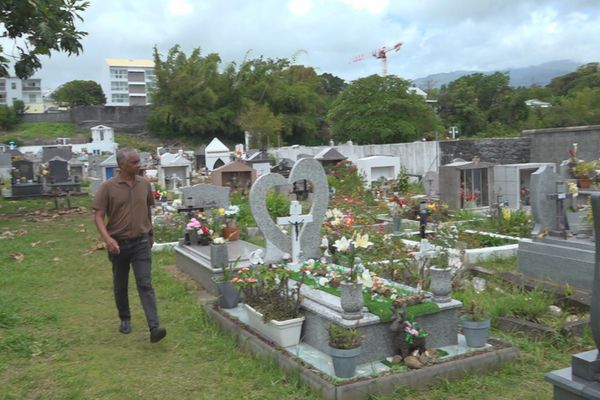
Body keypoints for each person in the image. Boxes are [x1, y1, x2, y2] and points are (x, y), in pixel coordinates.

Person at [92, 148, 167, 343]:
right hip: (118, 244)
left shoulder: (144, 184)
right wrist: (108, 239)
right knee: (120, 283)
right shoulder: (108, 187)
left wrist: (150, 233)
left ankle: (154, 326)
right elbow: (98, 215)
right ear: (122, 165)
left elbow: (147, 209)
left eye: (138, 161)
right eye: (134, 162)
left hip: (141, 241)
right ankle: (125, 318)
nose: (138, 165)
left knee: (145, 282)